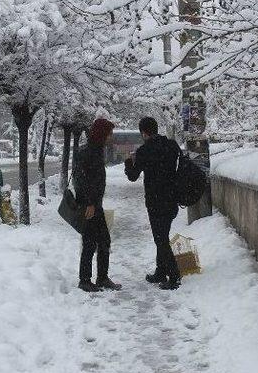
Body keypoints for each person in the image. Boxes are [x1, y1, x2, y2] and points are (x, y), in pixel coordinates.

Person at [125, 117, 182, 290]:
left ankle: (174, 276)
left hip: (156, 202)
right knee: (162, 235)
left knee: (160, 238)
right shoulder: (172, 146)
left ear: (144, 132)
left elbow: (133, 176)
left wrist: (129, 161)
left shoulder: (145, 150)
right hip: (172, 199)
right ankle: (160, 271)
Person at [73, 118, 122, 292]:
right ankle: (85, 280)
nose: (111, 137)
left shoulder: (96, 150)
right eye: (109, 133)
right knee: (90, 242)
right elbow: (81, 181)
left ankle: (101, 278)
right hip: (89, 205)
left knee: (103, 241)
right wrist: (89, 203)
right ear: (102, 134)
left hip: (95, 205)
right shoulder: (87, 152)